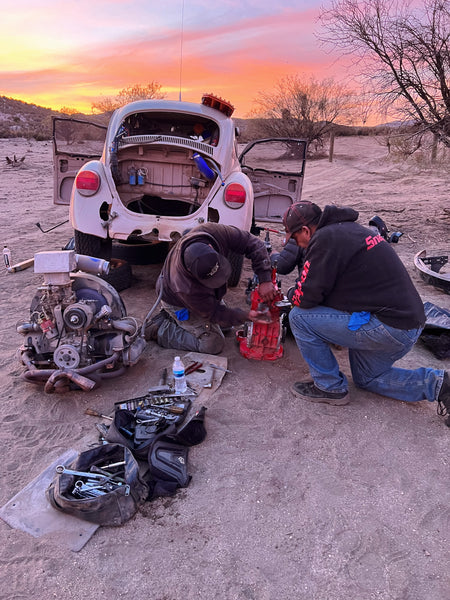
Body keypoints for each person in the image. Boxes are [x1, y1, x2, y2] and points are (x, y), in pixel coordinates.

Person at [282, 200, 450, 425]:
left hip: (390, 327)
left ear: (304, 230)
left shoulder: (324, 238)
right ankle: (441, 385)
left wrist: (291, 292)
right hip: (408, 323)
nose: (298, 244)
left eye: (294, 238)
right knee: (367, 378)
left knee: (299, 318)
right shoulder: (348, 230)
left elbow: (306, 297)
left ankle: (329, 387)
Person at [144, 223, 277, 354]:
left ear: (210, 247)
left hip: (204, 297)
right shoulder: (185, 287)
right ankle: (160, 329)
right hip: (177, 301)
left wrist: (265, 279)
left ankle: (173, 320)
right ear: (192, 272)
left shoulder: (213, 232)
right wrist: (247, 315)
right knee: (213, 343)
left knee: (226, 326)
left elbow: (252, 242)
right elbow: (214, 312)